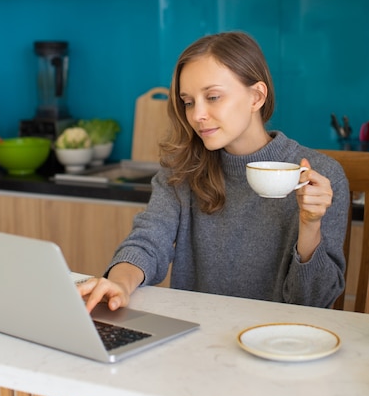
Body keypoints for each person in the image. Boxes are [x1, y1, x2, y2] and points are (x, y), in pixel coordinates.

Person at [79, 31, 349, 312]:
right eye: (189, 101)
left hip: (281, 343)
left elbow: (315, 303)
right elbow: (148, 240)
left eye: (213, 97)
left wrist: (310, 225)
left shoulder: (321, 177)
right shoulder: (182, 169)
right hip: (201, 337)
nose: (197, 115)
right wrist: (120, 283)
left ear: (256, 97)